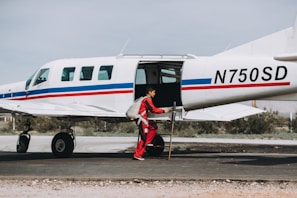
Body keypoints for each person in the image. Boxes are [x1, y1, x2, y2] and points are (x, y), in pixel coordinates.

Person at [133, 87, 170, 161]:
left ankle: (147, 142)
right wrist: (163, 111)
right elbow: (153, 109)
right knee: (144, 137)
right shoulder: (147, 99)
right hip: (142, 120)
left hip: (144, 119)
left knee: (153, 127)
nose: (154, 94)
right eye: (153, 92)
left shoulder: (144, 99)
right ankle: (138, 155)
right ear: (149, 92)